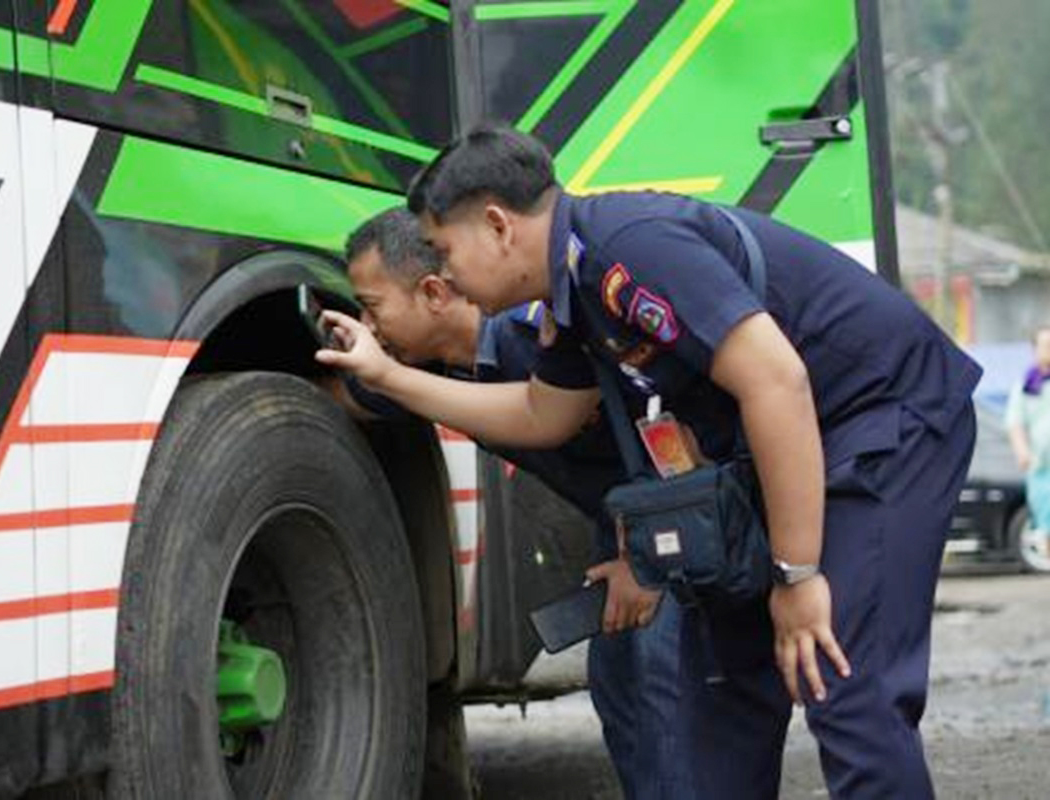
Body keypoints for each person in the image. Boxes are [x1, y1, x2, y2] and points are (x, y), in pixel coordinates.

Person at [316, 127, 981, 799]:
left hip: (882, 418)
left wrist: (799, 575)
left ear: (496, 225)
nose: (446, 275)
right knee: (723, 698)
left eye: (443, 249)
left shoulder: (630, 247)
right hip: (771, 450)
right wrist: (390, 378)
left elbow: (777, 382)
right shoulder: (569, 295)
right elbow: (543, 415)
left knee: (840, 681)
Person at [330, 207, 692, 800]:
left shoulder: (538, 337)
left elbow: (668, 431)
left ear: (432, 293)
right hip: (621, 521)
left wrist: (649, 560)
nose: (370, 327)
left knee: (666, 689)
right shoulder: (441, 367)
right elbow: (353, 392)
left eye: (373, 308)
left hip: (671, 515)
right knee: (620, 686)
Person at [1006, 324, 1050, 555]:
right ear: (1035, 350)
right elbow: (1015, 422)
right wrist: (1022, 451)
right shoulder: (1026, 385)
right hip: (1041, 465)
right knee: (1046, 517)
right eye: (1046, 345)